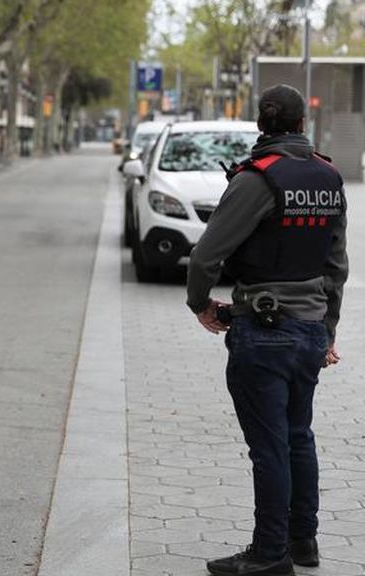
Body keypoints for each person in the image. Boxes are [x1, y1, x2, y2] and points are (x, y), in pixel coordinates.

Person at [187, 84, 347, 576]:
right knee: (299, 436)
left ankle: (269, 552)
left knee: (271, 445)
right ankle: (304, 542)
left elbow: (206, 255)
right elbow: (337, 265)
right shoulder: (329, 176)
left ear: (262, 124)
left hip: (264, 331)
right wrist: (328, 330)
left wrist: (199, 305)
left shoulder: (257, 179)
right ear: (302, 124)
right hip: (308, 332)